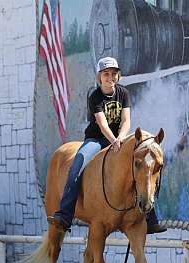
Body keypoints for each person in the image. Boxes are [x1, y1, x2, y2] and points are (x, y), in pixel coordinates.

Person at [47, 56, 166, 234]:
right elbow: (102, 124)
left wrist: (121, 138)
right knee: (77, 164)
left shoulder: (123, 93)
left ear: (118, 76)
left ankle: (150, 218)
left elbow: (126, 120)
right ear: (99, 77)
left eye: (113, 74)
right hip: (97, 139)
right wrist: (113, 140)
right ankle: (64, 214)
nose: (110, 78)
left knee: (142, 166)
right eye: (106, 74)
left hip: (120, 138)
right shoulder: (95, 96)